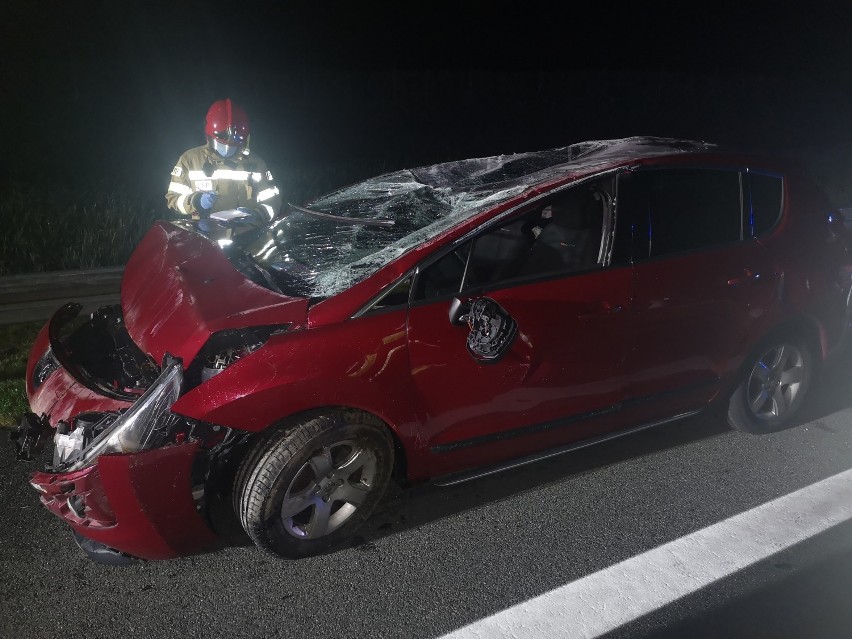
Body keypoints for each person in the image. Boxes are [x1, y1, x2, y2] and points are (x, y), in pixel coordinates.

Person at [165, 98, 281, 227]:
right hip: (204, 238)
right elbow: (173, 198)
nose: (227, 149)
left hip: (248, 239)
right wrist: (196, 201)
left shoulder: (256, 164)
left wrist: (257, 215)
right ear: (208, 136)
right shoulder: (189, 160)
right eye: (220, 142)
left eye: (233, 145)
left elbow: (273, 202)